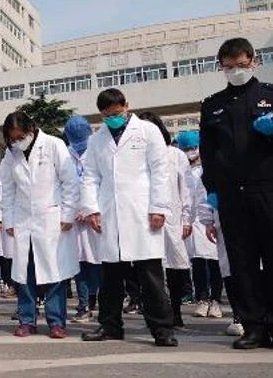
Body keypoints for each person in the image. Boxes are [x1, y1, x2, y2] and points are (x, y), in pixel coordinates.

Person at [80, 88, 178, 347]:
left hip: (142, 212)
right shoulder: (97, 140)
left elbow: (160, 171)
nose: (112, 119)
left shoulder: (147, 131)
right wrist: (91, 209)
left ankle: (162, 329)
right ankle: (110, 326)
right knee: (110, 276)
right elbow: (90, 176)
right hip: (110, 214)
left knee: (150, 276)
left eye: (116, 113)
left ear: (126, 106)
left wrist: (159, 207)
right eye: (107, 115)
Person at [199, 37, 273, 349]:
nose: (236, 71)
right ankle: (253, 326)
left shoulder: (269, 95)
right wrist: (212, 192)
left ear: (254, 61)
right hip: (231, 196)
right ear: (221, 67)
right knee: (242, 262)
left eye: (242, 65)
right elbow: (208, 154)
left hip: (267, 189)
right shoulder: (212, 105)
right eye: (230, 67)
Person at [0, 112, 80, 339]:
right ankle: (27, 320)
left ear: (31, 130)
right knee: (24, 274)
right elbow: (7, 189)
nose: (17, 141)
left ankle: (56, 322)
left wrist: (68, 214)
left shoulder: (53, 145)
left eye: (20, 136)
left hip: (52, 219)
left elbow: (70, 182)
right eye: (12, 138)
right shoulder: (11, 154)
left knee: (54, 273)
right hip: (23, 221)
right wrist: (9, 220)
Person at [139, 112, 194, 329]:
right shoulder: (136, 155)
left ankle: (176, 311)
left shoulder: (175, 155)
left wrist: (187, 219)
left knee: (176, 265)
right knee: (151, 268)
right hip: (145, 219)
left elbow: (186, 189)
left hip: (172, 217)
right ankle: (158, 312)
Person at [176, 130, 223, 319]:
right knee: (197, 262)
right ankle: (202, 298)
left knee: (215, 262)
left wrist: (209, 219)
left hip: (210, 218)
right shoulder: (183, 170)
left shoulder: (209, 167)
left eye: (193, 147)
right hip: (192, 222)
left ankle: (216, 300)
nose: (190, 152)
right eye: (186, 148)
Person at [63, 116, 101, 323]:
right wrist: (72, 211)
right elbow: (62, 185)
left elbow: (102, 183)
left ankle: (99, 302)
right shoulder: (64, 155)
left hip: (96, 218)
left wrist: (89, 210)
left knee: (98, 263)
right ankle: (84, 305)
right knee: (79, 264)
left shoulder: (97, 151)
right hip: (74, 220)